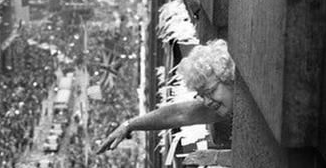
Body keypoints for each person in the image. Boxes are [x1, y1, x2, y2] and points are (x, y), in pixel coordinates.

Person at [97, 39, 235, 154]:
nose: (207, 102)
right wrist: (128, 125)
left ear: (229, 79)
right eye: (202, 96)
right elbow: (179, 114)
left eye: (210, 92)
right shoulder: (224, 102)